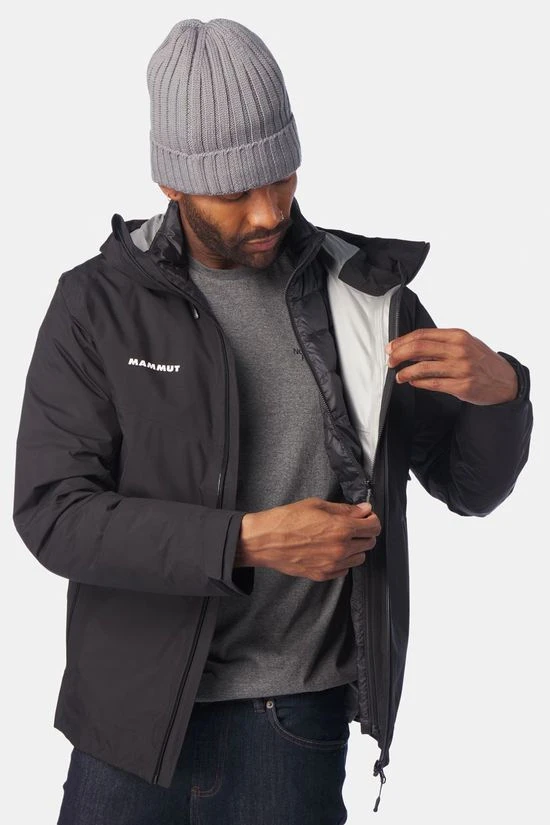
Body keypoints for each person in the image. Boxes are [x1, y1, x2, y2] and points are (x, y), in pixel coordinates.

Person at [12, 17, 533, 825]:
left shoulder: (366, 296)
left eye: (282, 177)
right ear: (172, 184)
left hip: (292, 727)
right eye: (234, 192)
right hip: (125, 727)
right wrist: (246, 540)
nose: (267, 211)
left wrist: (502, 396)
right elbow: (55, 514)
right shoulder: (96, 304)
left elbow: (468, 488)